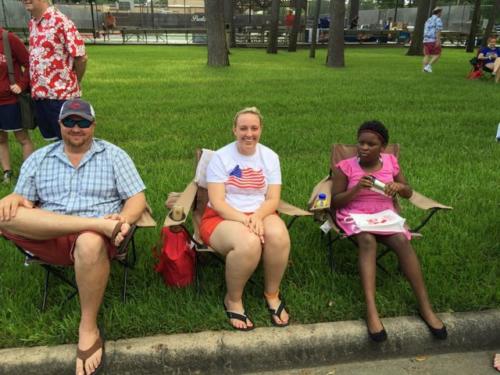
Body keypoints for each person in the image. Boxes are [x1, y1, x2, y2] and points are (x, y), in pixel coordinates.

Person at [0, 99, 147, 375]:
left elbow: (137, 199)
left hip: (99, 240)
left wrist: (124, 219)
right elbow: (24, 201)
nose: (76, 128)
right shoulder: (39, 158)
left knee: (89, 240)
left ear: (93, 125)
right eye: (69, 122)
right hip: (50, 236)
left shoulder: (114, 155)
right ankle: (92, 225)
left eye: (83, 122)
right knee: (3, 212)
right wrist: (14, 197)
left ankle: (88, 327)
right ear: (60, 125)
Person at [330, 120, 447, 342]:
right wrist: (356, 189)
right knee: (367, 241)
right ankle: (371, 310)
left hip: (384, 215)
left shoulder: (391, 163)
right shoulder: (345, 167)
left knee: (403, 242)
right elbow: (335, 202)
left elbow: (407, 192)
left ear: (382, 147)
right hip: (354, 214)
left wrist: (400, 187)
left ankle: (425, 307)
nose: (363, 147)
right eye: (361, 143)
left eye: (370, 144)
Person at [200, 107, 290, 331]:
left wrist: (258, 216)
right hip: (222, 217)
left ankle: (271, 293)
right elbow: (218, 202)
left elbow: (273, 198)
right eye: (243, 128)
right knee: (248, 243)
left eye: (254, 128)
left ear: (261, 130)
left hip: (261, 212)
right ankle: (233, 299)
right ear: (234, 130)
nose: (248, 133)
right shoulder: (221, 157)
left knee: (279, 236)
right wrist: (245, 220)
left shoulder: (270, 157)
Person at [23, 0, 87, 141]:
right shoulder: (33, 23)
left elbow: (80, 57)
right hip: (40, 97)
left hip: (61, 98)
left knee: (69, 143)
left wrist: (76, 81)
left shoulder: (60, 21)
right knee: (52, 143)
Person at [0, 27, 34, 183]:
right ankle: (7, 172)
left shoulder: (8, 38)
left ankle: (28, 173)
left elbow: (29, 64)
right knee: (1, 139)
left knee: (22, 138)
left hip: (11, 100)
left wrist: (21, 84)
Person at [422, 7, 443, 73]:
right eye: (441, 12)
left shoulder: (428, 20)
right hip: (433, 40)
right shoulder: (438, 19)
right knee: (438, 54)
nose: (441, 14)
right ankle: (428, 66)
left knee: (427, 55)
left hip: (426, 40)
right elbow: (438, 30)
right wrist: (438, 40)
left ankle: (424, 70)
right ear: (439, 12)